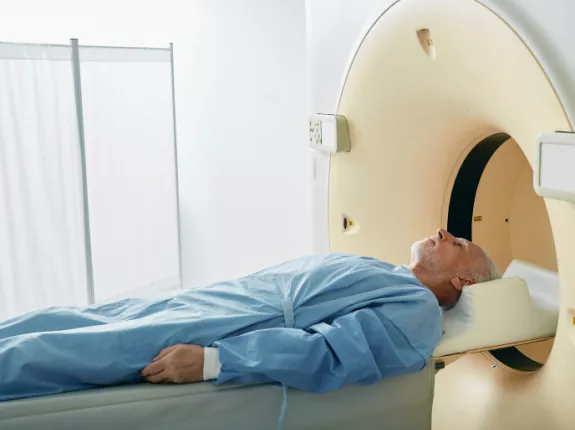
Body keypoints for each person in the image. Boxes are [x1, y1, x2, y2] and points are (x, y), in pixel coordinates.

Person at [0, 228, 499, 402]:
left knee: (59, 350)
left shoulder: (416, 313)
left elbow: (327, 354)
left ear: (462, 283)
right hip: (219, 298)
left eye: (458, 244)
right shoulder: (385, 271)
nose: (443, 233)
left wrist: (214, 361)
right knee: (64, 319)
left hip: (232, 326)